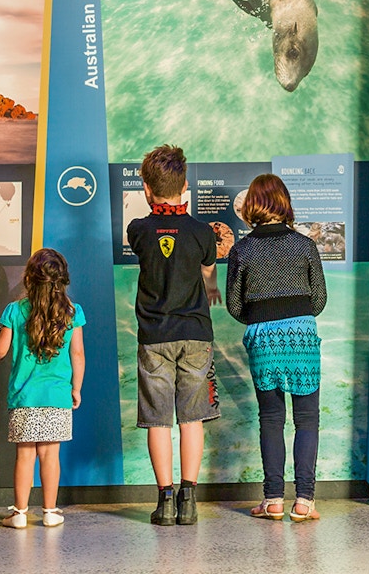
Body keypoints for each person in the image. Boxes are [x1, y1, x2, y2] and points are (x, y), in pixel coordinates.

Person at [127, 144, 222, 526]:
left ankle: (164, 501)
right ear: (185, 186)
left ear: (147, 190)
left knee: (157, 421)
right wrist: (211, 286)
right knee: (191, 419)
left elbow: (154, 243)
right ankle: (189, 500)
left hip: (154, 335)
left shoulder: (139, 230)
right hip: (196, 333)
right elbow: (208, 270)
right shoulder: (201, 232)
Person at [226, 174, 327, 522]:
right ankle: (304, 501)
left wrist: (264, 319)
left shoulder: (242, 249)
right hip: (301, 333)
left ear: (253, 205)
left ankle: (272, 500)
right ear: (283, 203)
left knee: (270, 419)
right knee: (307, 419)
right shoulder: (305, 246)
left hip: (263, 337)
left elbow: (234, 306)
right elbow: (320, 299)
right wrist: (293, 316)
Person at [0, 248, 85, 528]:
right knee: (50, 455)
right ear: (62, 279)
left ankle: (19, 514)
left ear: (29, 278)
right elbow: (77, 354)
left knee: (25, 455)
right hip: (57, 396)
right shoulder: (72, 312)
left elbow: (1, 351)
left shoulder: (14, 311)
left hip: (24, 398)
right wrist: (75, 388)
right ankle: (51, 511)